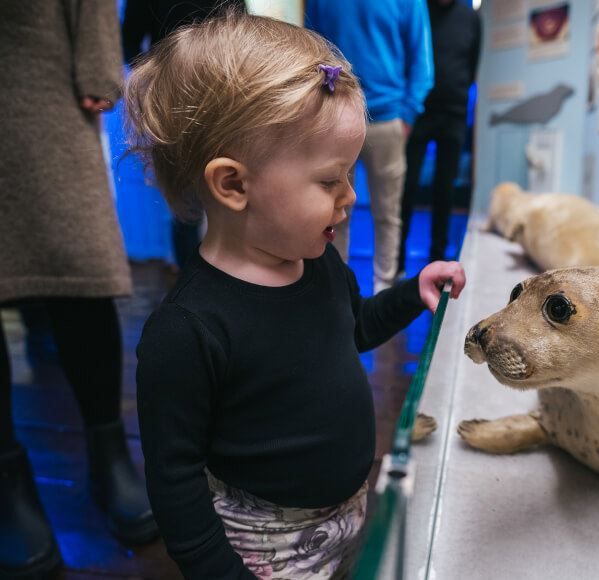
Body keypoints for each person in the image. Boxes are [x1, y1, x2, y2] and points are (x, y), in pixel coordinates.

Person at [125, 13, 466, 578]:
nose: (351, 197)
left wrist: (412, 293)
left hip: (349, 515)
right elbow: (174, 479)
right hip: (266, 552)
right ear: (233, 185)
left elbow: (351, 328)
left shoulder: (319, 262)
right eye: (331, 181)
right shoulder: (188, 330)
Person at [0, 2, 157, 577]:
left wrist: (96, 67)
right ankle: (6, 476)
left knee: (83, 271)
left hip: (38, 79)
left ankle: (108, 450)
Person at [306, 0, 434, 293]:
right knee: (331, 212)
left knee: (387, 213)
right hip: (335, 117)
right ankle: (333, 289)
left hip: (387, 118)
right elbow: (312, 49)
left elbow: (422, 61)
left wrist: (407, 114)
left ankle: (383, 290)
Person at [121, 0, 247, 271]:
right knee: (187, 202)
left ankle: (230, 276)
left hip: (224, 99)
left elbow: (242, 32)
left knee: (231, 189)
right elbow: (129, 42)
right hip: (173, 103)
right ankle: (193, 280)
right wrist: (155, 78)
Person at [398, 0, 481, 274]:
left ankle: (437, 262)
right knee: (407, 186)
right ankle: (398, 260)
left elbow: (471, 65)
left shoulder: (470, 18)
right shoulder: (418, 9)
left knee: (445, 190)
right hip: (420, 112)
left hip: (454, 115)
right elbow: (408, 55)